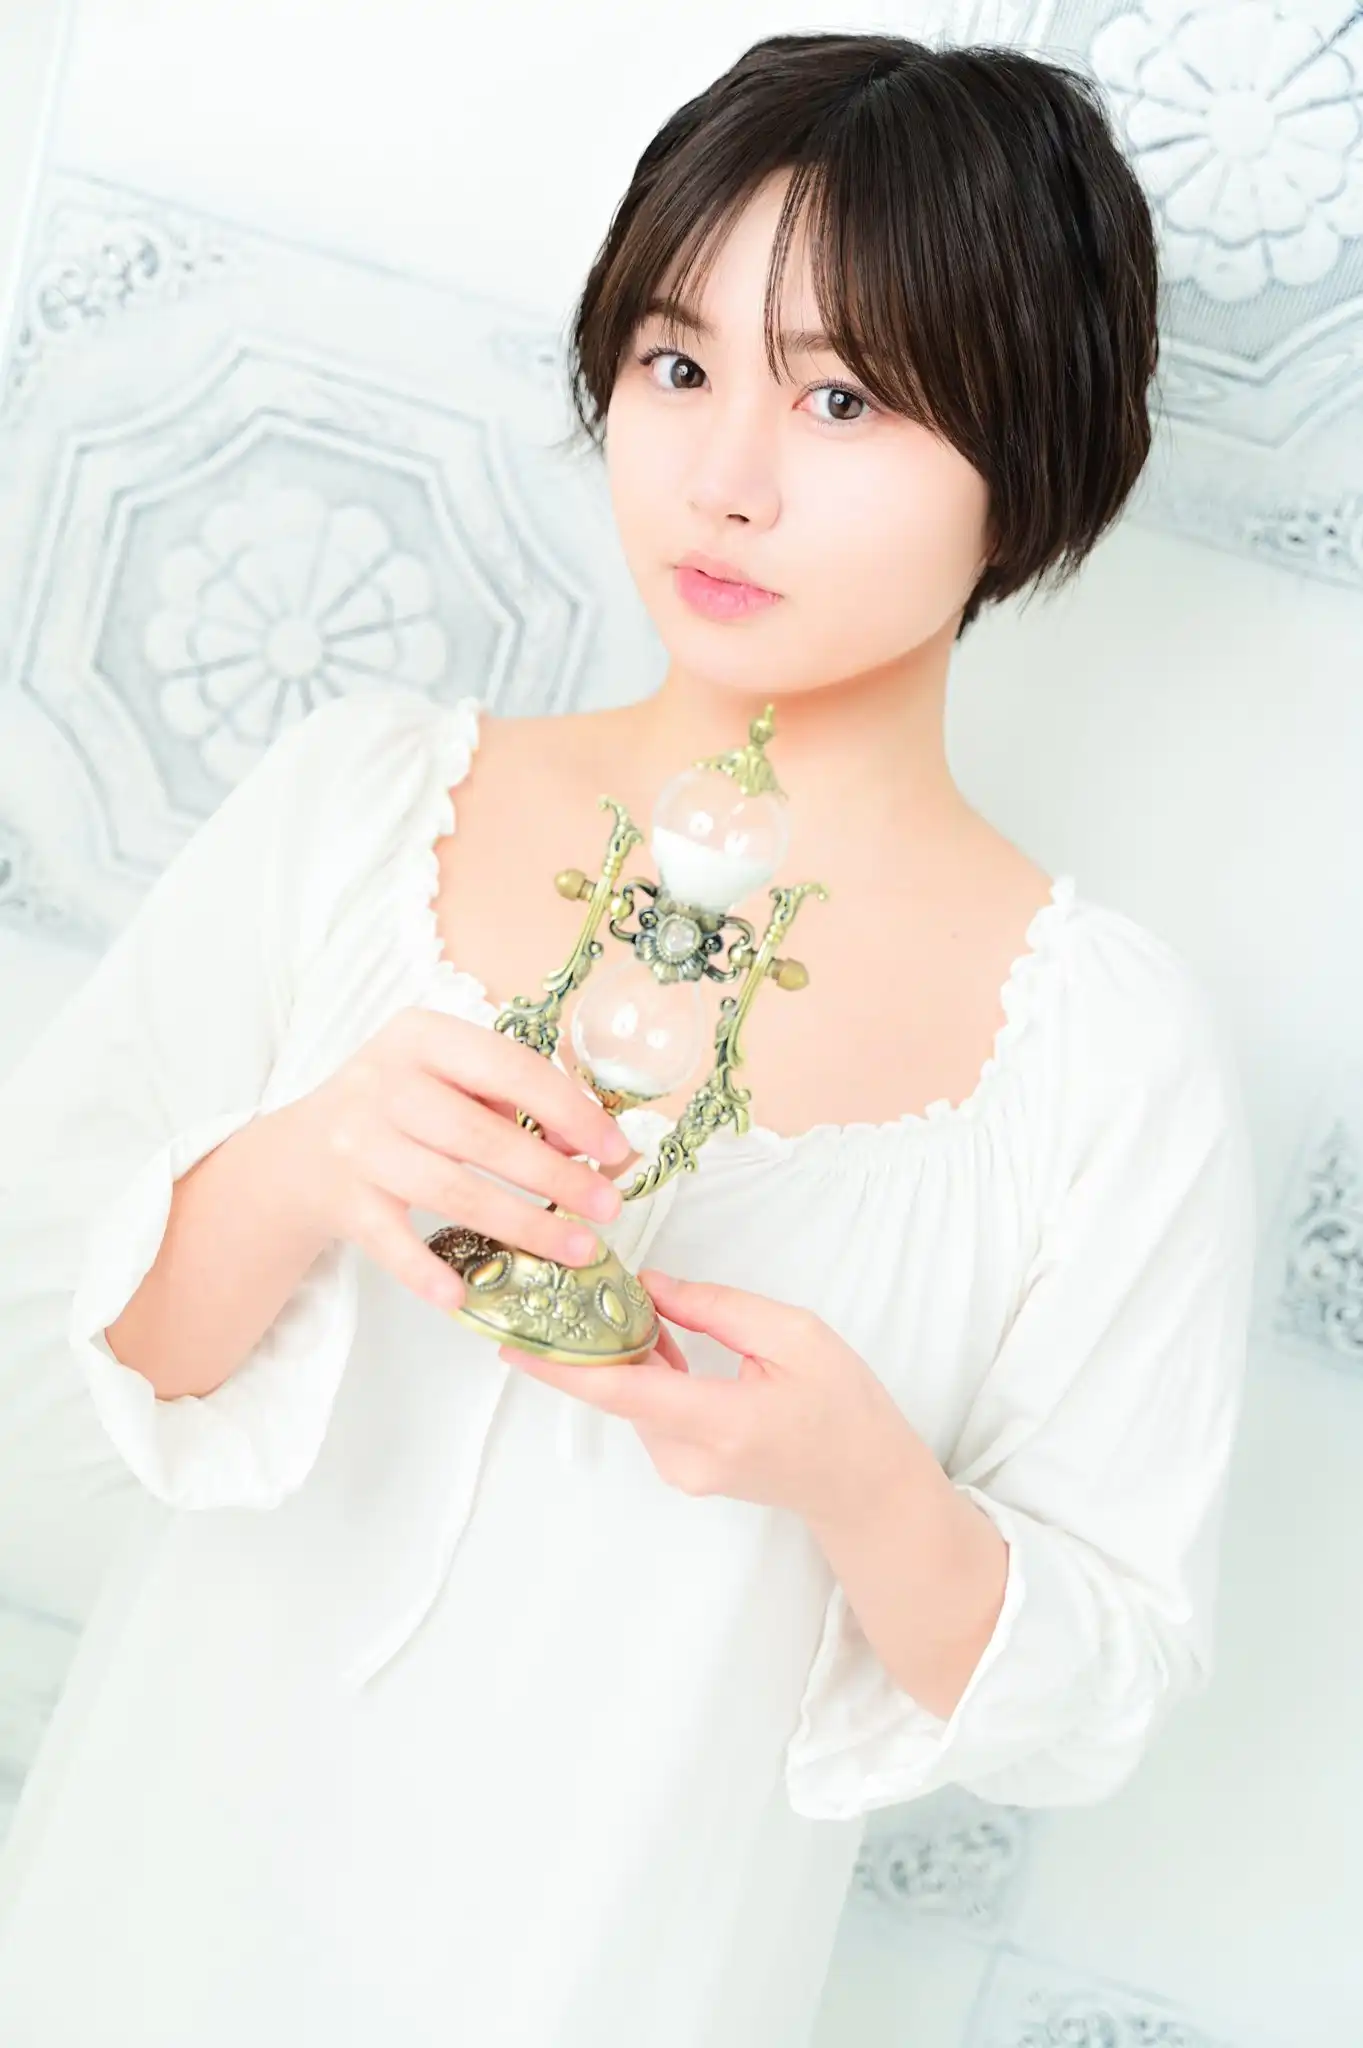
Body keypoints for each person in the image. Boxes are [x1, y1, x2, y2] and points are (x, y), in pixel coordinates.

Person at [0, 29, 1257, 2048]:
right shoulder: (366, 805)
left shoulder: (1103, 1062)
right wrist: (309, 1165)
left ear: (1027, 452)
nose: (724, 476)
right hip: (154, 1915)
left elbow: (1095, 1685)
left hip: (616, 1972)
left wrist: (859, 1479)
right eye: (678, 363)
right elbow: (54, 1349)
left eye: (839, 396)